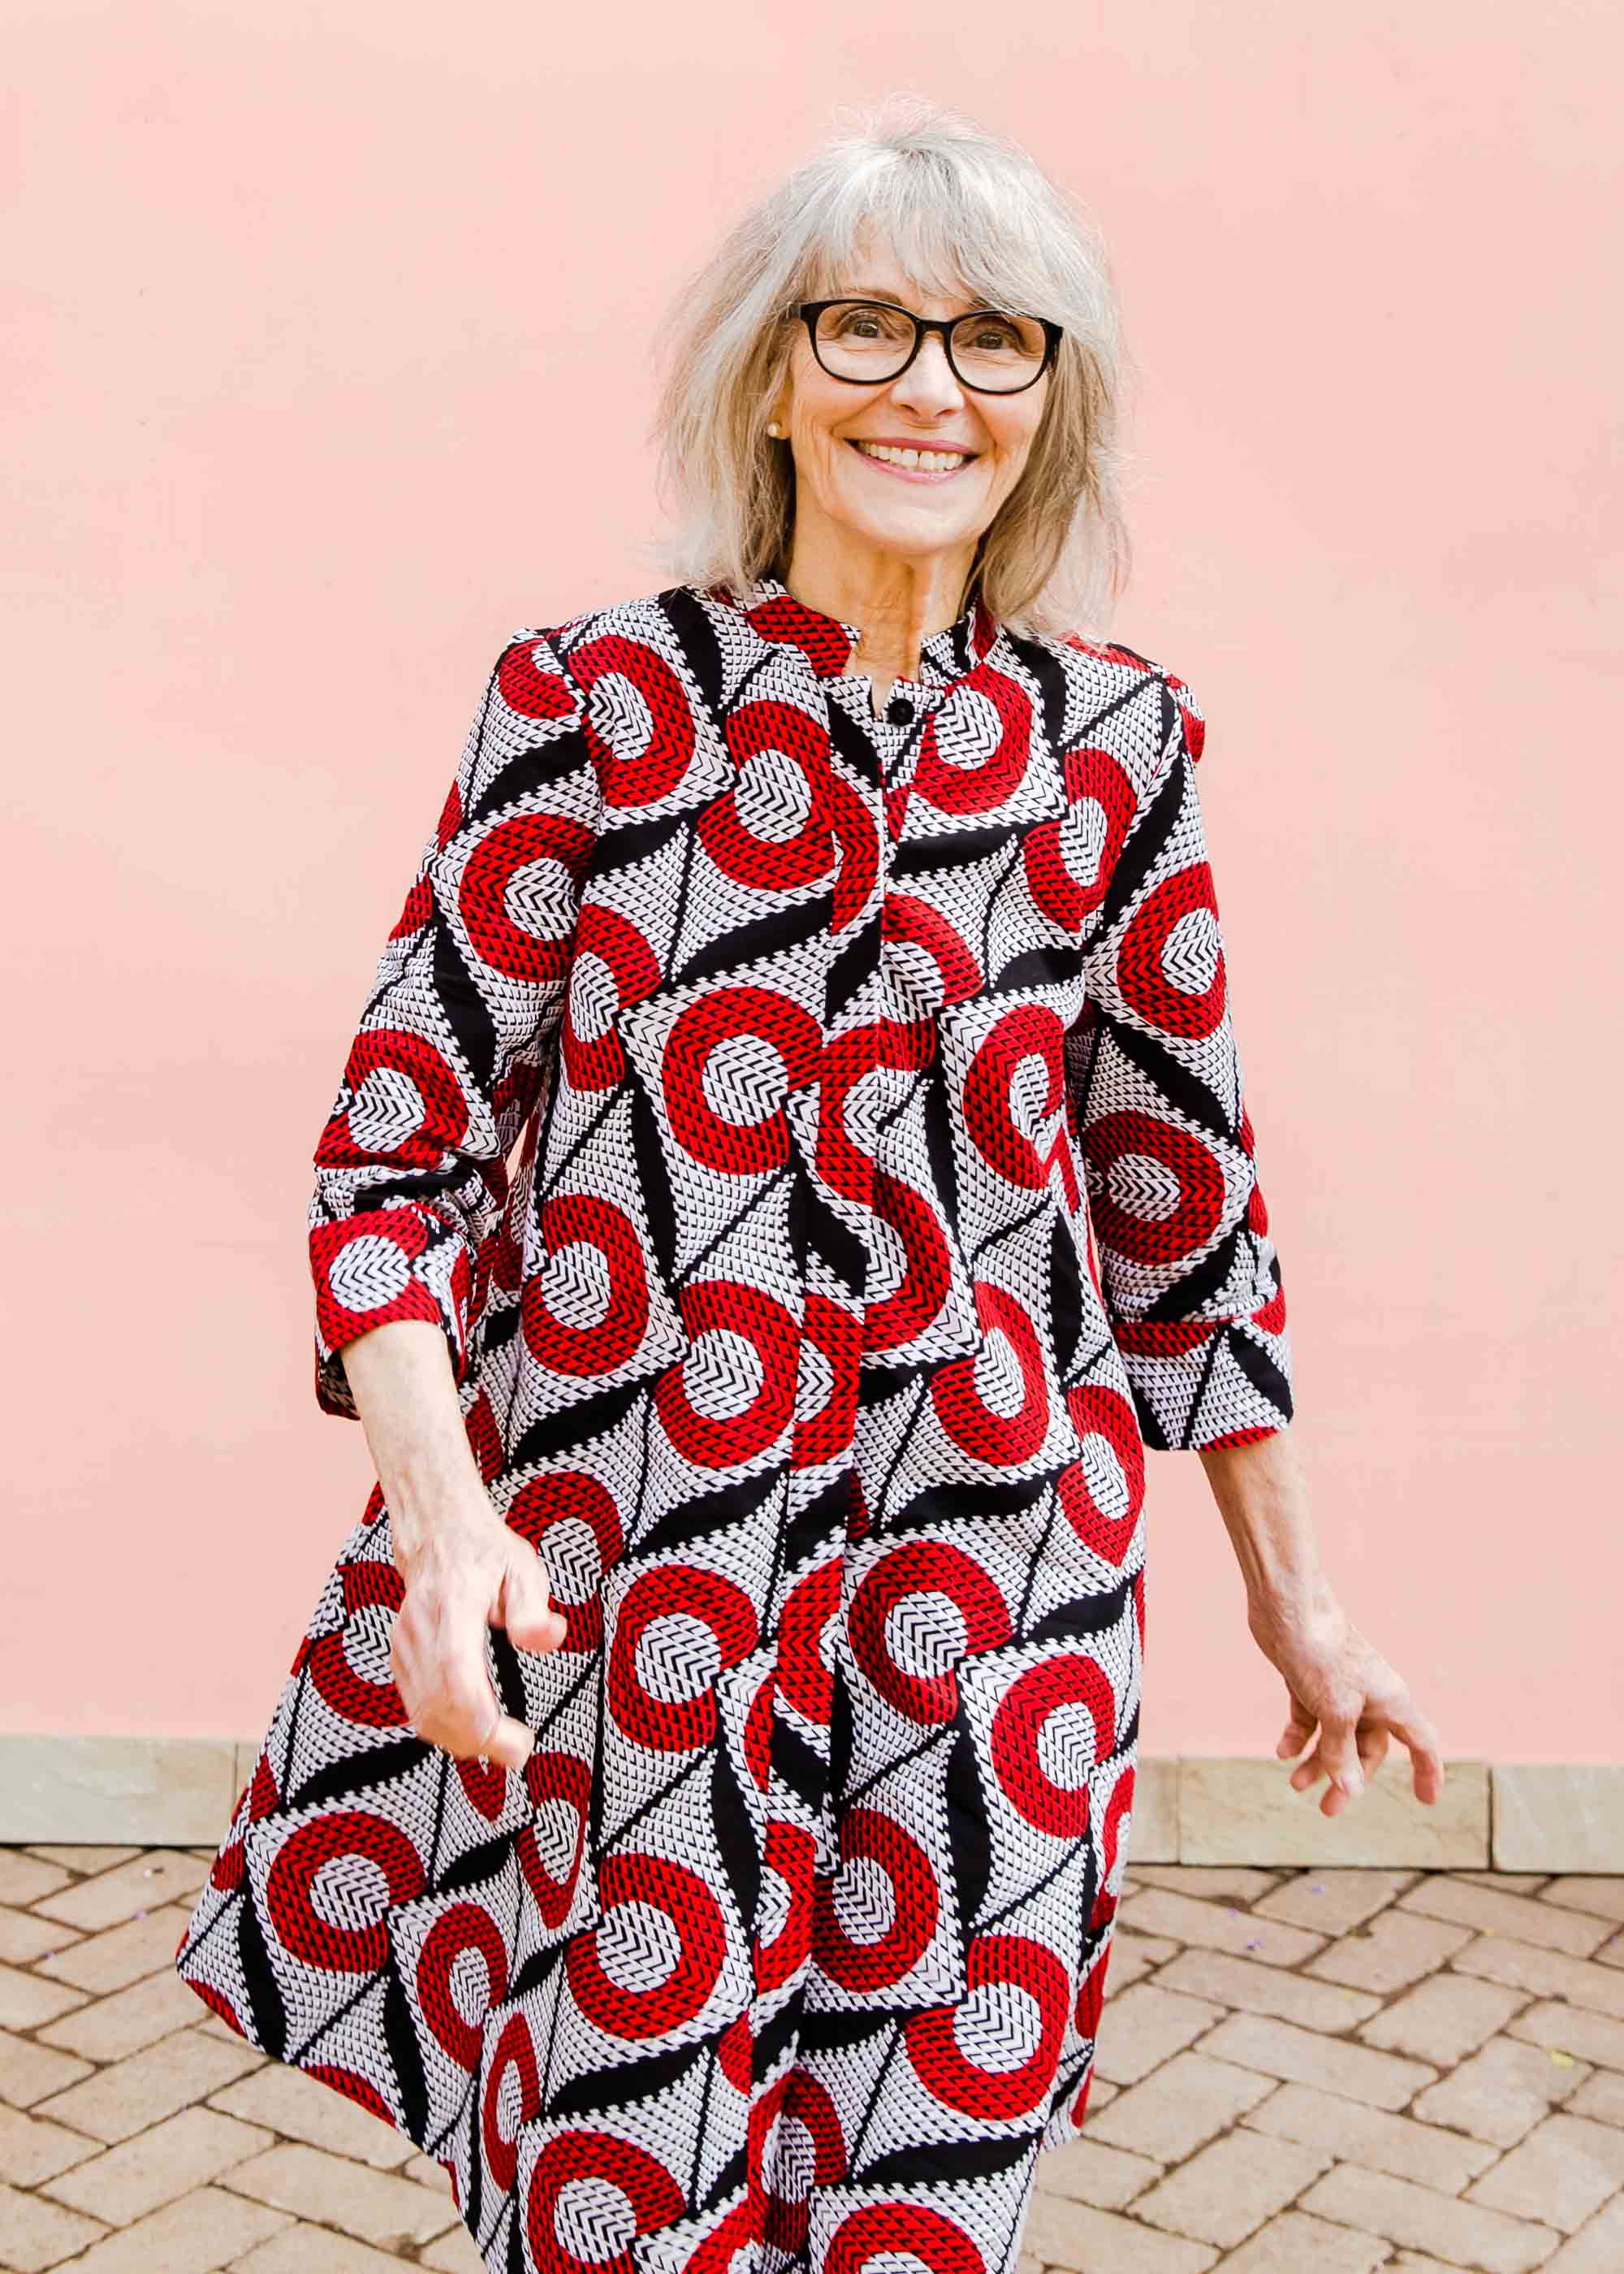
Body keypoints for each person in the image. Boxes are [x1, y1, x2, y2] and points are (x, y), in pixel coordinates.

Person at [175, 94, 1441, 2274]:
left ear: (1050, 405)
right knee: (627, 2189)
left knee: (922, 2199)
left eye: (994, 339)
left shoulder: (1113, 747)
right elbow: (390, 1163)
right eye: (865, 325)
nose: (927, 387)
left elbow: (1186, 1212)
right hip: (642, 1594)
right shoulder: (591, 706)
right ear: (771, 377)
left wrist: (1297, 1602)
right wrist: (446, 1527)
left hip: (995, 1614)